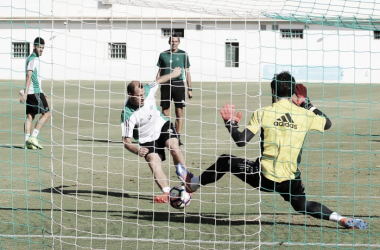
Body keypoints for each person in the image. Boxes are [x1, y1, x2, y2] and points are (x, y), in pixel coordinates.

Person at [176, 71, 367, 229]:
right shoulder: (304, 115)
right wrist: (307, 104)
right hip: (290, 179)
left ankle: (193, 185)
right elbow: (328, 123)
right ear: (292, 92)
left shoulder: (263, 112)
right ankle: (340, 219)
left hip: (264, 177)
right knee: (303, 206)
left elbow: (241, 142)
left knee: (225, 161)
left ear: (273, 91)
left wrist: (230, 123)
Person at [121, 67, 188, 203]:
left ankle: (186, 182)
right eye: (138, 96)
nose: (142, 98)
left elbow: (158, 80)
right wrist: (137, 150)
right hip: (145, 138)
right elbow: (126, 141)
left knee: (174, 146)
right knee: (153, 161)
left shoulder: (148, 89)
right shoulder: (127, 113)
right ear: (129, 94)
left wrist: (173, 74)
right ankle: (168, 193)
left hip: (161, 125)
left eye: (143, 94)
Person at [156, 35, 192, 144]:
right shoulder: (163, 55)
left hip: (178, 85)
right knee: (165, 111)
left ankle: (178, 136)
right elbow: (160, 72)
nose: (174, 43)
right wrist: (155, 85)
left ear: (179, 43)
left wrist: (189, 88)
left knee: (179, 111)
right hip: (165, 84)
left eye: (176, 41)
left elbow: (187, 72)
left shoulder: (183, 54)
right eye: (172, 41)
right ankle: (164, 134)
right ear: (169, 42)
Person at [20, 37, 50, 150]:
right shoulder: (34, 59)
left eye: (43, 48)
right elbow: (29, 76)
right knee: (46, 114)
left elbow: (34, 77)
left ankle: (27, 141)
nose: (41, 50)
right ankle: (33, 137)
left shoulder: (29, 58)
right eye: (39, 47)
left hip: (33, 92)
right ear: (34, 46)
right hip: (34, 92)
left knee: (30, 116)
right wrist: (26, 93)